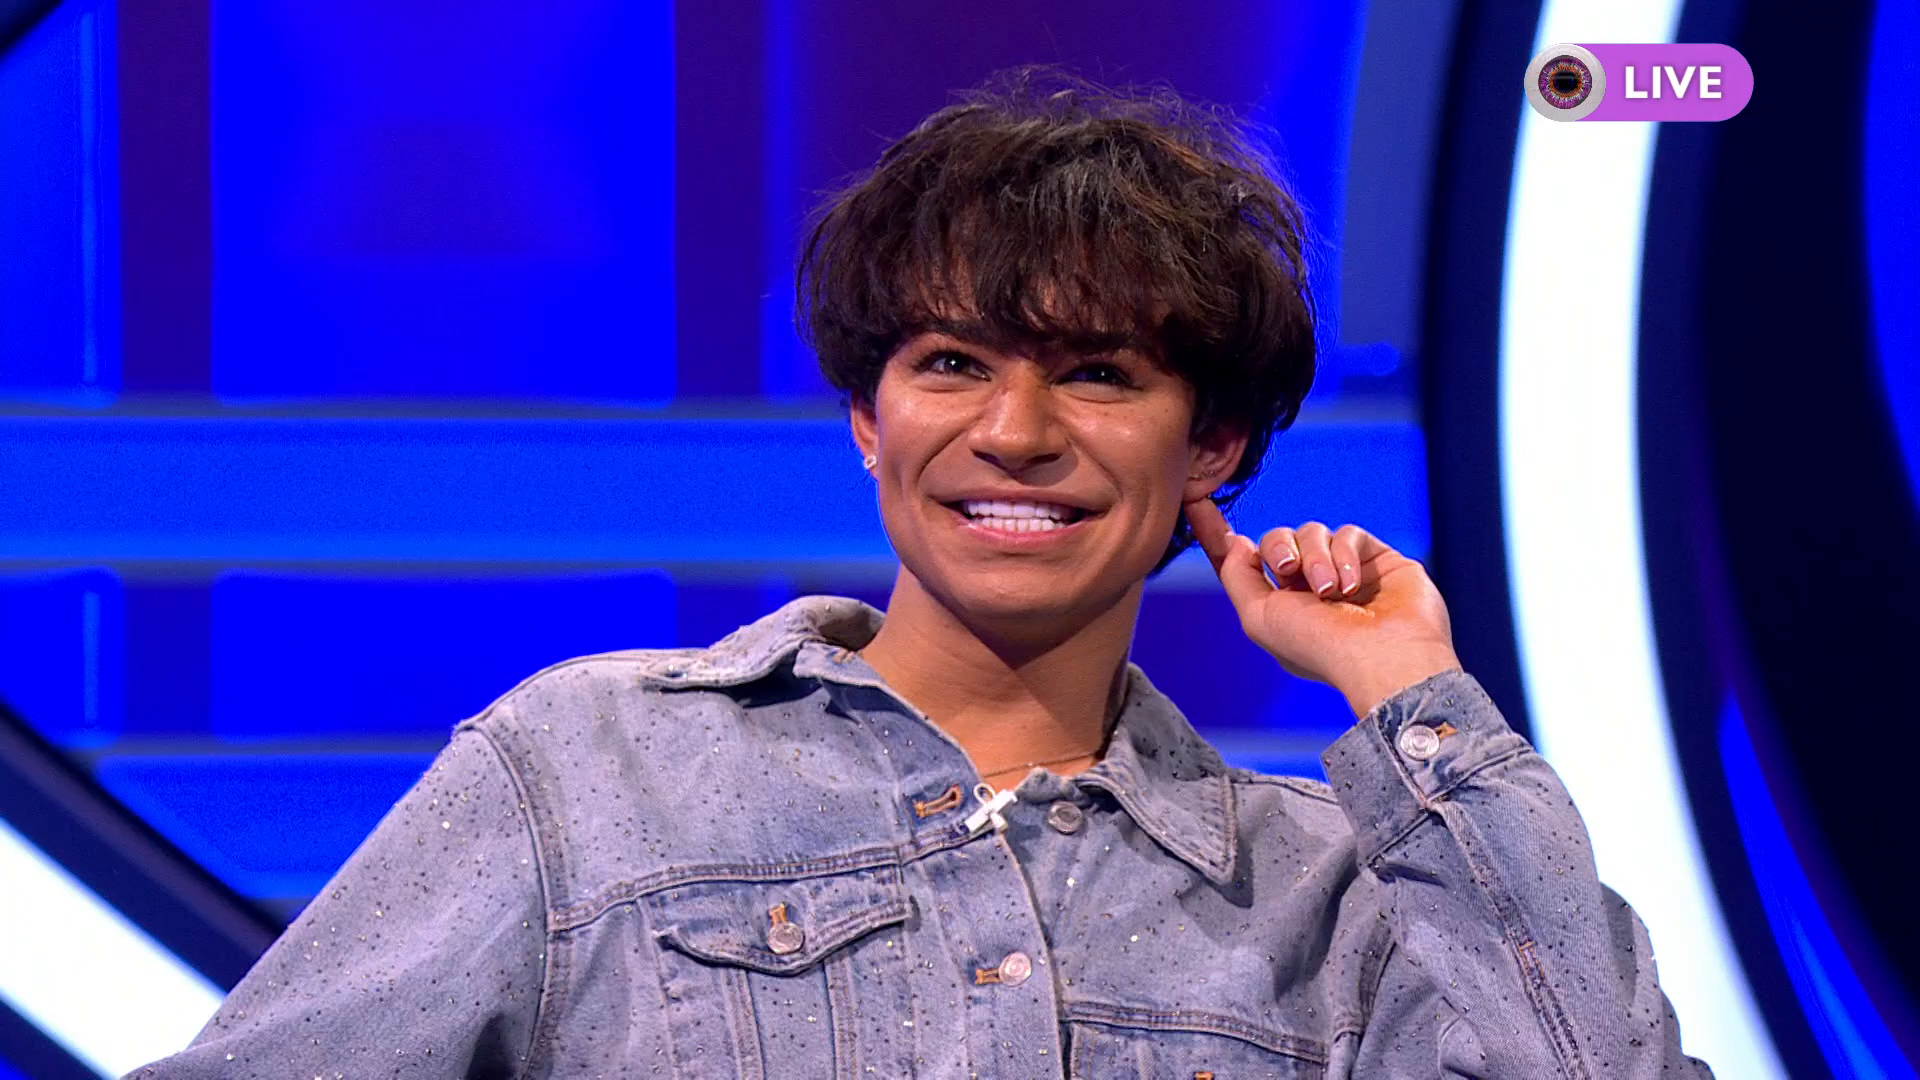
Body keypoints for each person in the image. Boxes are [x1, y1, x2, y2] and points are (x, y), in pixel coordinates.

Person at [130, 71, 1712, 1079]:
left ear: (1213, 444)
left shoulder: (1333, 888)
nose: (1013, 434)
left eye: (1098, 375)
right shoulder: (590, 766)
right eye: (952, 363)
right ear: (868, 422)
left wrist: (1412, 698)